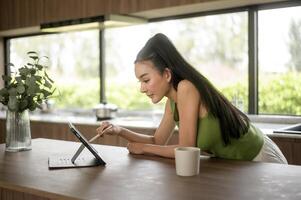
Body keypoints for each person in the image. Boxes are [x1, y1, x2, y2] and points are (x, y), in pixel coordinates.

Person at [97, 33, 287, 164]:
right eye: (140, 81)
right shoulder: (172, 103)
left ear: (167, 74)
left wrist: (143, 148)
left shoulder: (186, 88)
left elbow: (186, 149)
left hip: (260, 158)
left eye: (146, 80)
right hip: (239, 166)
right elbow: (157, 141)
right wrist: (119, 130)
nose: (142, 88)